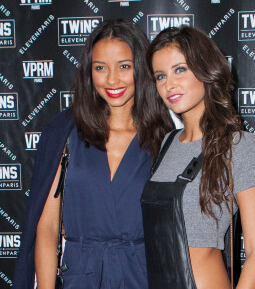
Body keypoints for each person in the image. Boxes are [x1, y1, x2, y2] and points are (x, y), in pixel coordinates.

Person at [12, 19, 174, 289]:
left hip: (143, 276)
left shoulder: (165, 139)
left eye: (124, 66)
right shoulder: (63, 132)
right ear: (89, 72)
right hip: (80, 275)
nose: (112, 79)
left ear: (142, 69)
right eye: (101, 68)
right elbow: (49, 227)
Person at [141, 26, 255, 289]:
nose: (169, 85)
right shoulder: (168, 143)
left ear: (205, 69)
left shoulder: (239, 146)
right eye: (160, 76)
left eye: (180, 69)